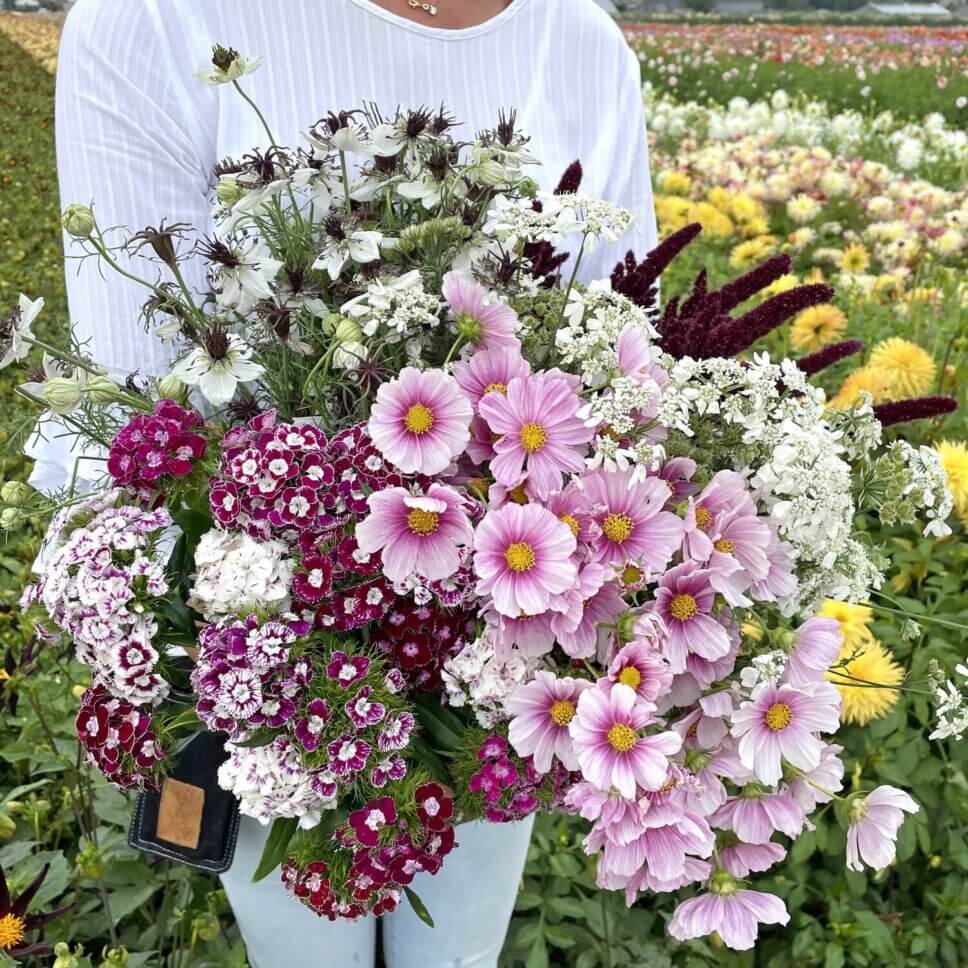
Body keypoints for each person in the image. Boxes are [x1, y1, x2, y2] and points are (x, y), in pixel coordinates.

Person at [47, 1, 658, 966]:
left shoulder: (581, 39)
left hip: (512, 639)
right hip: (271, 667)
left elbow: (626, 372)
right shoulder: (153, 18)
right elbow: (140, 419)